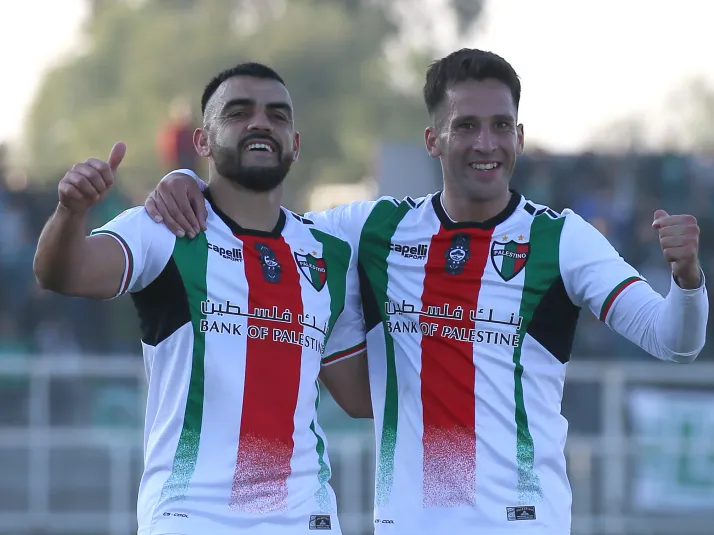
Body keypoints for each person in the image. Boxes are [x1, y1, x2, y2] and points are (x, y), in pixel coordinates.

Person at [144, 49, 709, 535]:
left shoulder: (563, 239)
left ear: (519, 136)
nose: (484, 143)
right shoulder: (372, 230)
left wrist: (686, 278)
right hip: (407, 523)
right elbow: (260, 216)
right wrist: (188, 180)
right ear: (433, 140)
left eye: (499, 125)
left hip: (520, 521)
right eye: (465, 126)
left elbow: (673, 340)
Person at [33, 62, 372, 535]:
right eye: (238, 112)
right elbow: (61, 273)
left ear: (295, 144)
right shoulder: (164, 227)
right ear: (202, 142)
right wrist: (71, 211)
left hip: (305, 519)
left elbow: (358, 396)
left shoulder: (328, 253)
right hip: (191, 516)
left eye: (277, 115)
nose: (260, 122)